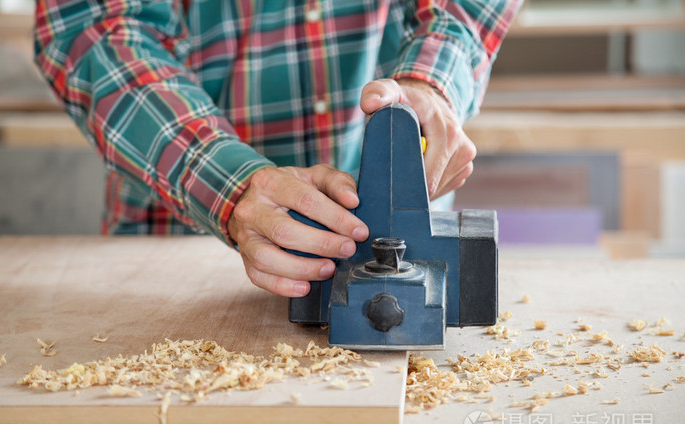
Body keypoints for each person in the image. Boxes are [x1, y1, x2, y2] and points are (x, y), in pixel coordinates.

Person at [34, 0, 522, 297]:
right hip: (176, 248)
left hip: (407, 246)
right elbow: (91, 27)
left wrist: (434, 79)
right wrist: (228, 181)